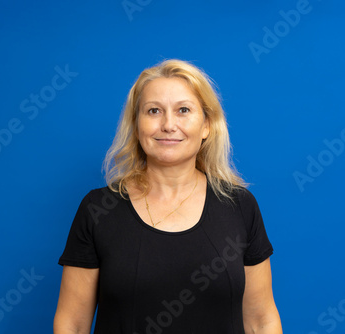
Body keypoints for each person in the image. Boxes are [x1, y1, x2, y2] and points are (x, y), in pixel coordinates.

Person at [54, 59, 282, 334]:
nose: (168, 124)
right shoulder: (98, 209)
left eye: (183, 110)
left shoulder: (239, 206)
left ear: (207, 126)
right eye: (153, 111)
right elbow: (73, 325)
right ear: (137, 125)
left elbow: (261, 321)